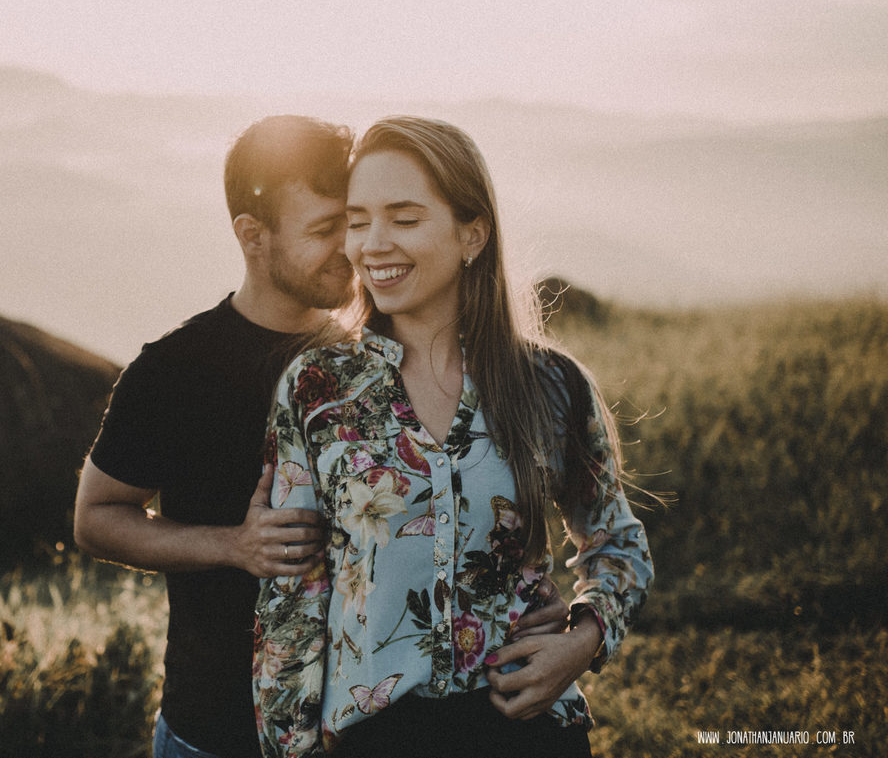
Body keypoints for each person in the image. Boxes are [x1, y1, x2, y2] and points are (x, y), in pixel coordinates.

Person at [74, 115, 571, 758]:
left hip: (361, 730)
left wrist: (519, 593)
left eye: (354, 219)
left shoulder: (379, 355)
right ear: (252, 237)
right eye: (322, 229)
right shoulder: (175, 370)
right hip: (216, 727)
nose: (353, 247)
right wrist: (233, 546)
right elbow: (95, 517)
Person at [253, 116, 654, 758]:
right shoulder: (318, 389)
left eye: (404, 219)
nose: (372, 245)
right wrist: (288, 749)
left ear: (472, 234)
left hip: (528, 732)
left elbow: (619, 543)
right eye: (358, 221)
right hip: (376, 741)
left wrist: (579, 645)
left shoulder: (549, 384)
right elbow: (293, 594)